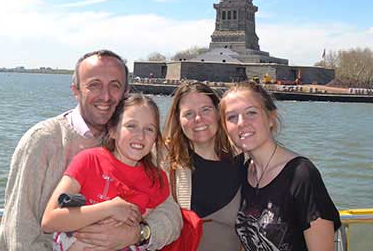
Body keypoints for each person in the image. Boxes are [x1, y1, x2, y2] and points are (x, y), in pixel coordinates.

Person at [0, 50, 181, 251]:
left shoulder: (139, 147)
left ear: (125, 92)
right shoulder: (43, 141)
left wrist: (138, 234)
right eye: (94, 85)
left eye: (115, 86)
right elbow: (20, 228)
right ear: (76, 90)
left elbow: (170, 215)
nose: (106, 96)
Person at [221, 81, 341, 251]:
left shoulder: (301, 175)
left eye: (251, 113)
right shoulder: (243, 172)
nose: (241, 122)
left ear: (271, 118)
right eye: (232, 117)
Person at [42, 94, 170, 251]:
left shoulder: (157, 179)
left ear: (156, 138)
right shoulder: (89, 161)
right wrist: (109, 209)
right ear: (113, 130)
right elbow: (50, 221)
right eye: (131, 126)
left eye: (149, 129)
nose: (140, 135)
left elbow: (143, 224)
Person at [163, 81, 243, 251]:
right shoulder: (165, 161)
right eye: (189, 113)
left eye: (206, 109)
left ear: (218, 112)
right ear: (178, 119)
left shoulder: (246, 160)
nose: (198, 119)